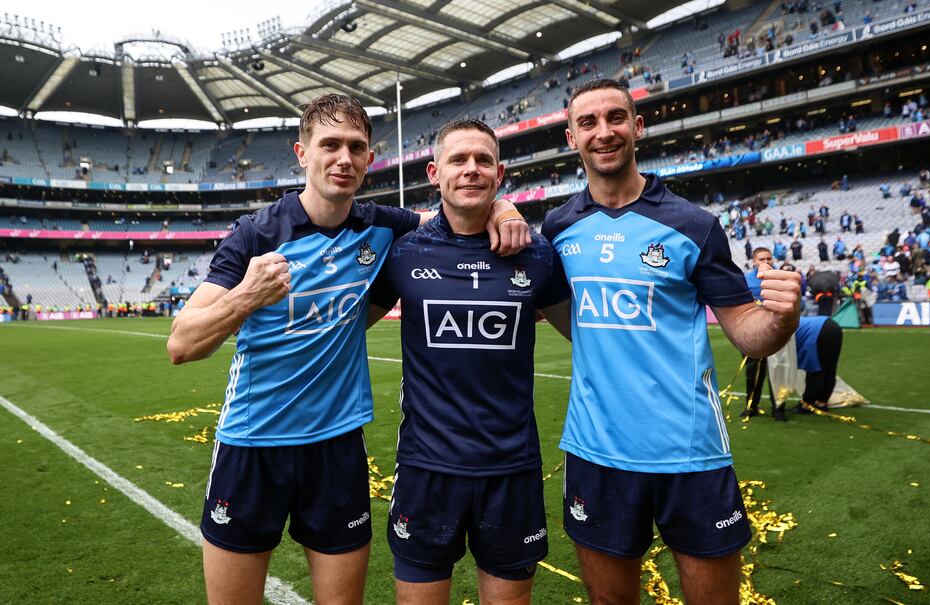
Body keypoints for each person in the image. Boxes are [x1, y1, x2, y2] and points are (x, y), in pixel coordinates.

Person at [165, 94, 529, 605]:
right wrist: (248, 296)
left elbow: (453, 212)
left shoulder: (381, 226)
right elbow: (182, 344)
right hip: (251, 445)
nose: (344, 158)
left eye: (357, 147)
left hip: (336, 447)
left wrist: (503, 204)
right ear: (301, 153)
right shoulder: (258, 233)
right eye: (330, 145)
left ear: (368, 159)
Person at [541, 79, 802, 605]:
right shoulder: (558, 227)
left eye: (616, 118)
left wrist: (782, 318)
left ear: (637, 127)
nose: (603, 132)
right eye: (587, 123)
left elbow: (749, 333)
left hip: (691, 454)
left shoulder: (694, 225)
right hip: (597, 453)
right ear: (572, 137)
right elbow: (566, 315)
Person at [367, 119, 571, 605]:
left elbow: (588, 339)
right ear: (435, 173)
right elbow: (343, 329)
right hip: (425, 468)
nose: (471, 170)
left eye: (483, 160)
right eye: (458, 160)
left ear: (500, 174)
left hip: (512, 470)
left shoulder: (537, 255)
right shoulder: (402, 253)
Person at [742, 247, 786, 422]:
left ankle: (779, 408)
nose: (766, 262)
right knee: (752, 370)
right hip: (753, 333)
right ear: (754, 261)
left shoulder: (780, 278)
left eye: (769, 259)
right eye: (762, 259)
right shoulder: (745, 280)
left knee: (778, 370)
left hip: (777, 332)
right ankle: (751, 406)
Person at [791, 316, 843, 413]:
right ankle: (821, 403)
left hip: (817, 332)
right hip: (832, 326)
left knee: (815, 370)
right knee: (829, 370)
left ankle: (807, 404)